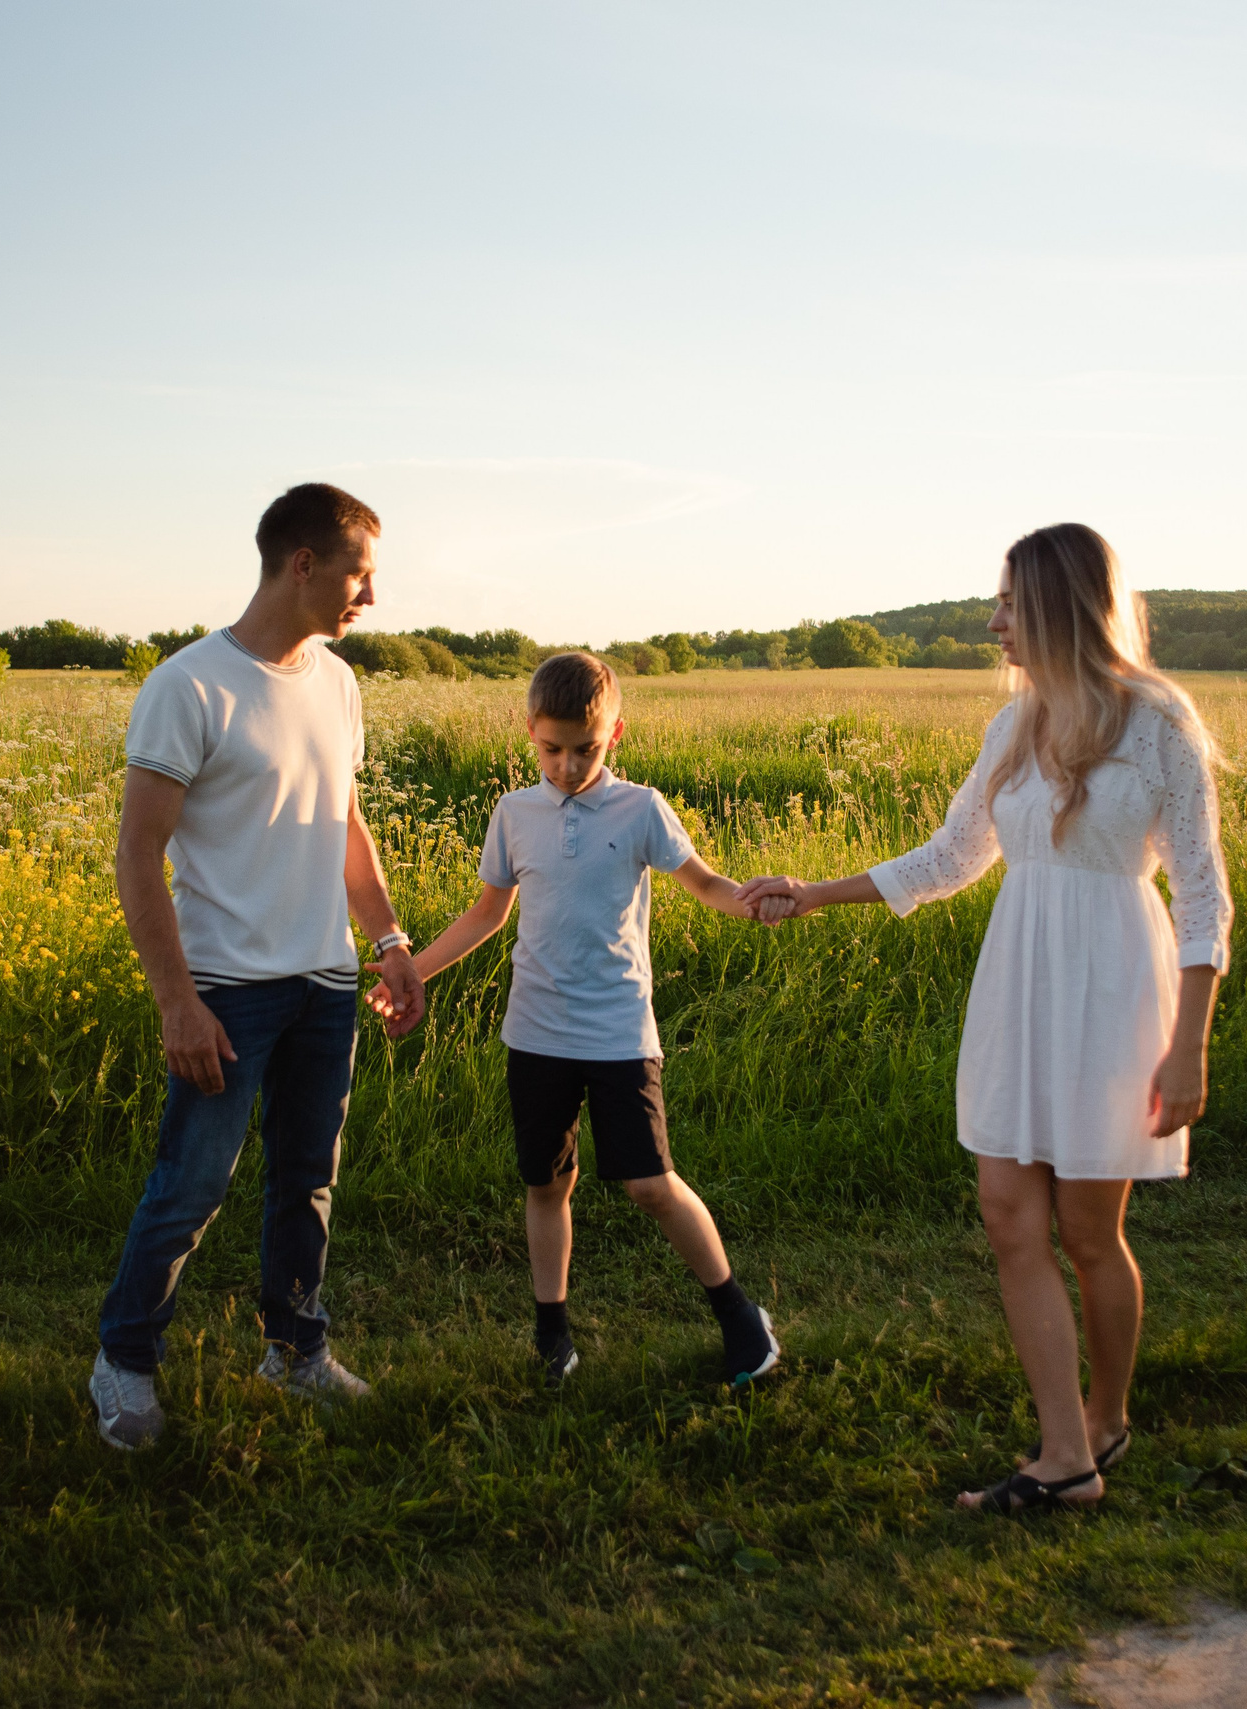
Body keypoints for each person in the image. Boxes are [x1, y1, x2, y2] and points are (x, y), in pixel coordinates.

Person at [739, 524, 1231, 1513]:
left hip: (1114, 990)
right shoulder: (1011, 728)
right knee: (1008, 1216)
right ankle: (1065, 1456)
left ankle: (1104, 1415)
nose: (994, 620)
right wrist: (815, 891)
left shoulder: (1158, 723)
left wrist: (1189, 1046)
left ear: (1058, 604)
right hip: (1020, 981)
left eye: (1009, 601)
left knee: (1090, 1231)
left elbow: (1204, 897)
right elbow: (949, 857)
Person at [87, 483, 428, 1450]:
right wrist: (178, 1002)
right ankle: (123, 1358)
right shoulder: (188, 686)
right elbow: (137, 852)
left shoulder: (338, 683)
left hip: (325, 982)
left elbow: (345, 821)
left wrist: (390, 941)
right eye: (360, 574)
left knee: (307, 1181)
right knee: (192, 1184)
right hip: (228, 991)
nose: (372, 596)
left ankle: (296, 1350)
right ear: (303, 564)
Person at [377, 651, 781, 1389]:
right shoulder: (514, 814)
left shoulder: (642, 809)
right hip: (536, 1034)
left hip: (619, 1032)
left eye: (585, 750)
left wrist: (751, 901)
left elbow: (704, 882)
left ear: (614, 734)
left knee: (650, 1184)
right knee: (546, 1183)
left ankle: (741, 1318)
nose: (566, 766)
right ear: (529, 733)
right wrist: (413, 972)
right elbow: (487, 914)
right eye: (552, 749)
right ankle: (552, 1334)